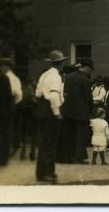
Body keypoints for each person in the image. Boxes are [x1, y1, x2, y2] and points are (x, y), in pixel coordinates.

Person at [34, 50, 67, 183]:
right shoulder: (56, 77)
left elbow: (37, 93)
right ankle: (47, 172)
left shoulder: (44, 75)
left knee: (44, 142)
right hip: (51, 111)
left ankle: (43, 172)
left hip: (42, 108)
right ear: (61, 63)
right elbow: (53, 96)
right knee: (50, 144)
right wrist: (57, 113)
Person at [61, 58, 94, 164]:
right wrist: (89, 111)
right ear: (86, 67)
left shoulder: (69, 77)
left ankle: (66, 157)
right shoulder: (85, 80)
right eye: (90, 69)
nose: (90, 71)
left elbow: (64, 92)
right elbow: (88, 98)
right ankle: (78, 157)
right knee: (80, 136)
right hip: (81, 112)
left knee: (68, 135)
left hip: (68, 111)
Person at [15, 77, 38, 161]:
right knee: (33, 133)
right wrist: (38, 103)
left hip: (22, 112)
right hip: (31, 112)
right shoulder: (30, 88)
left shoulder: (21, 88)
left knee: (24, 133)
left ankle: (23, 154)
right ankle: (32, 154)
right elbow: (33, 99)